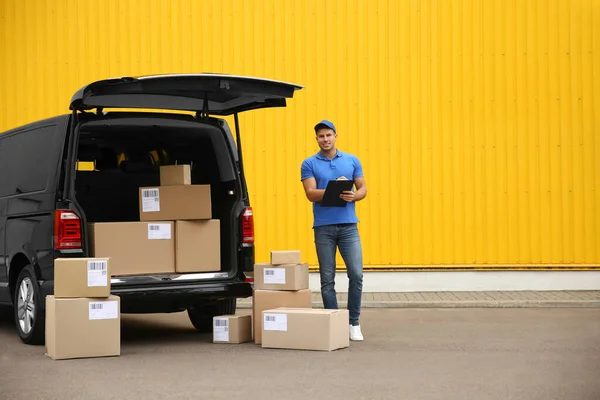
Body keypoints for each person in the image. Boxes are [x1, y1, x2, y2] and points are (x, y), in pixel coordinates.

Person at [300, 120, 367, 341]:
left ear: (336, 136)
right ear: (317, 139)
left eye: (329, 135)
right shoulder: (309, 163)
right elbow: (310, 193)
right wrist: (335, 189)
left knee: (356, 274)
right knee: (327, 278)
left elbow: (362, 188)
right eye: (321, 136)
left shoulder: (351, 160)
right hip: (323, 227)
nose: (325, 139)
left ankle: (353, 322)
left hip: (349, 226)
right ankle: (334, 321)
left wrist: (354, 195)